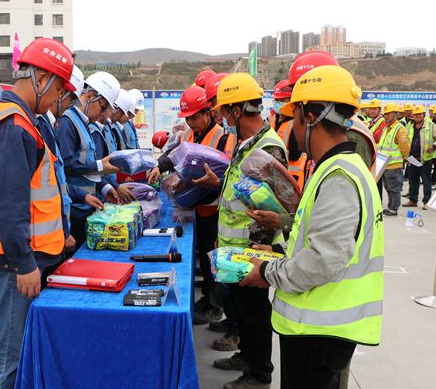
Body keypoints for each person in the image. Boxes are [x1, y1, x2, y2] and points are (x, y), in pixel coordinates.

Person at [240, 64, 384, 389]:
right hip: (318, 328)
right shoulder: (337, 168)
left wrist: (267, 272)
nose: (291, 126)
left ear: (309, 117)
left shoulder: (339, 177)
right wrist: (278, 251)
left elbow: (323, 260)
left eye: (294, 116)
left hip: (319, 332)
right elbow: (321, 240)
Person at [0, 38, 75, 389]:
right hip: (9, 263)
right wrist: (24, 263)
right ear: (41, 78)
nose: (58, 99)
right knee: (7, 359)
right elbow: (8, 207)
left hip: (10, 259)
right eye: (58, 89)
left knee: (13, 353)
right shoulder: (15, 125)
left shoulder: (21, 121)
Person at [194, 73, 287, 389]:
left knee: (254, 314)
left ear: (236, 110)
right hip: (234, 247)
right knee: (241, 312)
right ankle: (247, 357)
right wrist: (218, 184)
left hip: (252, 251)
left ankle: (259, 374)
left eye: (224, 110)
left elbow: (273, 205)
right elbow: (244, 190)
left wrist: (257, 261)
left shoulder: (268, 147)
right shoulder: (247, 143)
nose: (221, 117)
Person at [148, 86, 228, 328]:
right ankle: (207, 299)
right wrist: (159, 166)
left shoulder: (222, 137)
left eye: (194, 117)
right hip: (194, 205)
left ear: (207, 113)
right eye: (188, 118)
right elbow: (173, 155)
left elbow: (228, 173)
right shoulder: (189, 135)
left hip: (214, 208)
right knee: (203, 254)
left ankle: (215, 307)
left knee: (213, 258)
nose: (191, 122)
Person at [56, 71, 121, 250]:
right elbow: (67, 166)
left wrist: (104, 187)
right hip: (74, 208)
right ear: (90, 96)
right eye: (103, 107)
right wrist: (100, 166)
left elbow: (86, 167)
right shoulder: (67, 123)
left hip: (86, 205)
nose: (103, 114)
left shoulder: (84, 124)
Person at [88, 89, 137, 203]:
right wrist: (114, 186)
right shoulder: (96, 132)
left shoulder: (107, 129)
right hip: (101, 193)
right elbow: (98, 167)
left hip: (109, 188)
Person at [403, 104, 436, 210]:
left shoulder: (430, 125)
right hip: (412, 159)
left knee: (426, 181)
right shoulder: (410, 126)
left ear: (424, 115)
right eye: (415, 114)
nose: (417, 116)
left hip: (425, 159)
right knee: (413, 181)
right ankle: (413, 200)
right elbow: (406, 139)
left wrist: (434, 146)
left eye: (419, 114)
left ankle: (426, 201)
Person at [376, 103, 410, 216]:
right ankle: (390, 207)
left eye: (388, 114)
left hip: (394, 165)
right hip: (385, 164)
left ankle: (394, 208)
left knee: (394, 188)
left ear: (395, 114)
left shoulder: (400, 129)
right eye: (385, 114)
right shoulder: (386, 128)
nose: (386, 116)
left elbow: (405, 148)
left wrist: (404, 159)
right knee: (388, 187)